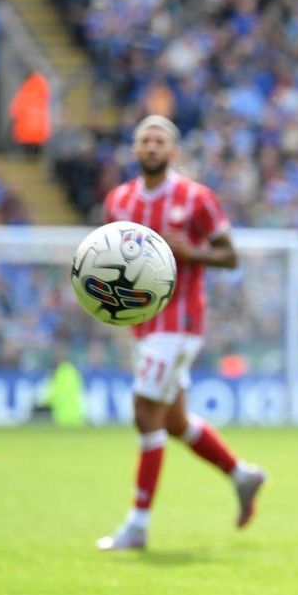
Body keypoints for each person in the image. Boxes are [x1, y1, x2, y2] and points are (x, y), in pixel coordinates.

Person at [95, 116, 265, 551]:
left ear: (173, 151)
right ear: (135, 149)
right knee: (174, 421)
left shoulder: (196, 198)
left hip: (180, 322)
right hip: (143, 324)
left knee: (144, 411)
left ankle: (137, 524)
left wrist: (191, 251)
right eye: (145, 140)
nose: (152, 147)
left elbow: (230, 256)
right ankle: (242, 475)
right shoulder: (118, 201)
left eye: (160, 141)